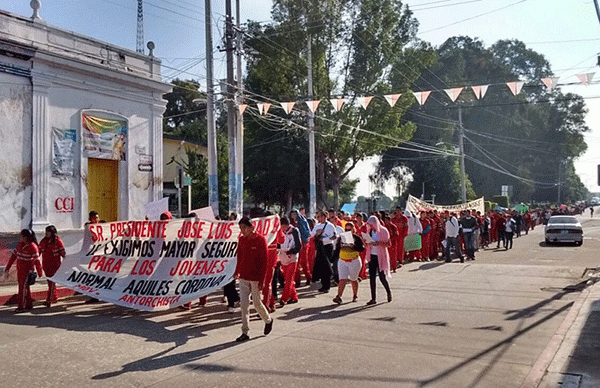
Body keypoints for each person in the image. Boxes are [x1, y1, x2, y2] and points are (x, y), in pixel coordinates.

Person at [234, 217, 273, 342]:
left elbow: (265, 262)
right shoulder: (242, 240)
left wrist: (262, 281)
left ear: (252, 227)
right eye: (240, 228)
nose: (242, 231)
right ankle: (245, 331)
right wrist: (236, 272)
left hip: (256, 278)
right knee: (244, 306)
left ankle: (268, 320)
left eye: (244, 228)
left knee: (257, 303)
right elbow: (239, 257)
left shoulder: (261, 240)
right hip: (244, 277)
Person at [4, 229, 43, 312]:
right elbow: (13, 257)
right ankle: (29, 304)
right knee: (26, 288)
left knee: (22, 288)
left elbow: (37, 261)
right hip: (20, 270)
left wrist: (40, 272)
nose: (20, 237)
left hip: (27, 271)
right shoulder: (19, 245)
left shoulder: (32, 247)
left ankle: (21, 306)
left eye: (21, 236)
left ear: (26, 237)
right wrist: (8, 267)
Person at [333, 222, 364, 304]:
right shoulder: (341, 238)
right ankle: (338, 296)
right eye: (346, 229)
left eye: (349, 229)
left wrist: (353, 246)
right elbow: (337, 249)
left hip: (354, 260)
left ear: (353, 229)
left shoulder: (357, 238)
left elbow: (361, 249)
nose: (348, 231)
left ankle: (355, 295)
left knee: (353, 279)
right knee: (342, 279)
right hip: (343, 260)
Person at [364, 216, 392, 305]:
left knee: (382, 277)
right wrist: (365, 241)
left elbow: (388, 244)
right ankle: (373, 298)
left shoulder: (383, 231)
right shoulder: (370, 231)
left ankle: (388, 292)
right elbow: (367, 244)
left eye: (371, 225)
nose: (370, 227)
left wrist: (379, 243)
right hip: (372, 256)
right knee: (371, 277)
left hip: (381, 256)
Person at [38, 225, 66, 307]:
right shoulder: (43, 241)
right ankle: (54, 297)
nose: (46, 233)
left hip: (55, 265)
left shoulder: (58, 241)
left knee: (52, 282)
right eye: (46, 231)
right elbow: (38, 252)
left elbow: (63, 254)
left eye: (48, 232)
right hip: (46, 265)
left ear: (52, 232)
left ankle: (49, 300)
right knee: (50, 282)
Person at [310, 211, 337, 293]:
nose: (319, 219)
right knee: (321, 266)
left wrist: (324, 239)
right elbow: (311, 234)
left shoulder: (330, 226)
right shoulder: (317, 226)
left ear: (325, 217)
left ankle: (327, 285)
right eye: (318, 217)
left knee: (326, 266)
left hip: (327, 247)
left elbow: (334, 237)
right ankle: (322, 284)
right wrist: (317, 233)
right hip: (320, 247)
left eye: (321, 217)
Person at [278, 217, 302, 306]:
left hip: (292, 258)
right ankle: (294, 296)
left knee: (288, 279)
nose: (283, 228)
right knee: (288, 279)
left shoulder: (295, 231)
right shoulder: (279, 232)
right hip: (283, 257)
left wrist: (291, 251)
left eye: (284, 226)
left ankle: (284, 298)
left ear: (288, 225)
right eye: (282, 226)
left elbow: (299, 246)